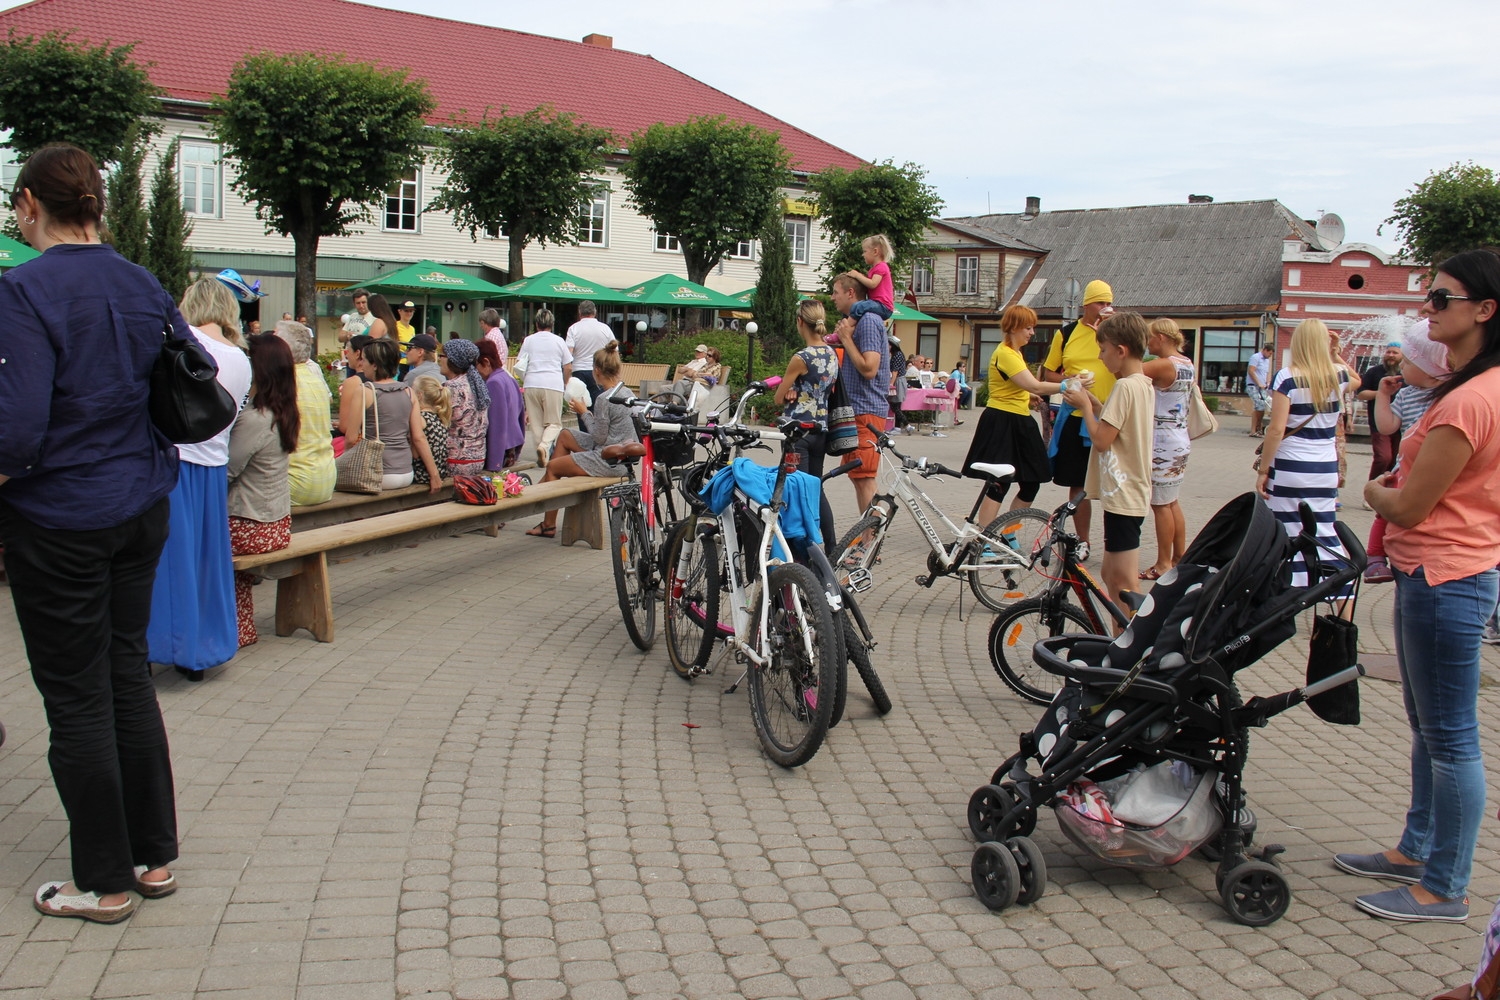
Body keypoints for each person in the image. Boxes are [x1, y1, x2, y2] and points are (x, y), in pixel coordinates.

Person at [0, 142, 180, 922]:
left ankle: (104, 881)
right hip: (141, 503)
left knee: (76, 696)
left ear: (32, 206)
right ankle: (152, 859)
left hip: (63, 514)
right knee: (126, 676)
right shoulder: (144, 281)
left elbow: (15, 431)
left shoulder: (23, 290)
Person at [1344, 248, 1500, 923]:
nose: (1427, 310)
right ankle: (1416, 851)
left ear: (1485, 310)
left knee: (1451, 736)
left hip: (1445, 576)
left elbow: (1409, 505)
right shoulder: (1471, 391)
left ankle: (1444, 886)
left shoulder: (1469, 402)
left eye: (1441, 300)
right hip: (1443, 573)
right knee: (1428, 728)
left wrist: (1375, 492)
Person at [146, 277, 252, 680]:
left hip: (174, 461)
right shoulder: (240, 358)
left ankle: (158, 646)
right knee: (206, 563)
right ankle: (202, 650)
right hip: (213, 467)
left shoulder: (179, 341)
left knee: (167, 563)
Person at [1061, 311, 1154, 611]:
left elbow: (1101, 440)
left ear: (1121, 351)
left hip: (1124, 494)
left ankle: (1131, 644)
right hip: (1128, 491)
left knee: (1125, 581)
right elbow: (1121, 425)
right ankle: (1118, 638)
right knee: (1109, 574)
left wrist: (1085, 406)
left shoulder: (1124, 387)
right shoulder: (1142, 383)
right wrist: (1099, 404)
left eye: (1102, 350)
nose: (1100, 357)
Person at [1254, 319, 1351, 603]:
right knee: (1324, 527)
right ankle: (1340, 590)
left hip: (1291, 464)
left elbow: (1276, 429)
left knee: (1286, 529)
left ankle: (1288, 591)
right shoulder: (1338, 375)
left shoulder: (1287, 377)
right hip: (1325, 465)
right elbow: (1357, 378)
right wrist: (1334, 353)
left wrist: (1264, 469)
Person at [962, 304, 1064, 528]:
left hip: (1018, 419)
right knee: (999, 483)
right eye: (1028, 327)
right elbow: (1035, 384)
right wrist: (1066, 385)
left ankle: (1008, 531)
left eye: (1032, 328)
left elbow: (1016, 386)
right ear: (1014, 327)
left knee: (1032, 481)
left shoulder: (1015, 353)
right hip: (1002, 421)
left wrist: (1026, 397)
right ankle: (985, 538)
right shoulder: (1005, 353)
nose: (1032, 333)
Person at [227, 334, 299, 647]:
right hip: (276, 523)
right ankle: (240, 628)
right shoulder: (284, 411)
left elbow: (226, 471)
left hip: (249, 523)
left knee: (195, 542)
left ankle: (230, 629)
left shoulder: (255, 418)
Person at [1364, 320, 1449, 584]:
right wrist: (1383, 396)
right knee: (1386, 508)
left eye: (1409, 363)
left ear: (1431, 371)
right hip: (1407, 464)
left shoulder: (1448, 396)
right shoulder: (1406, 394)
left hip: (1434, 464)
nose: (1401, 366)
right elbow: (1387, 427)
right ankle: (1375, 557)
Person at [526, 342, 639, 538]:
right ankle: (541, 493)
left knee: (553, 467)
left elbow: (598, 437)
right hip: (621, 455)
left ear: (596, 371)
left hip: (609, 460)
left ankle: (546, 519)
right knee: (565, 435)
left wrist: (583, 412)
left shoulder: (605, 399)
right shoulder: (626, 392)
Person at [1042, 279, 1117, 559]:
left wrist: (1115, 327)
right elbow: (1049, 373)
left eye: (1109, 303)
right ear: (1086, 304)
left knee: (1114, 481)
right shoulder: (1067, 332)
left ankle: (1116, 543)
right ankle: (1082, 540)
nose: (1104, 308)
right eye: (1100, 302)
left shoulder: (1116, 331)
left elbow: (1134, 361)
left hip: (1110, 412)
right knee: (1079, 481)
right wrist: (1071, 380)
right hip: (1075, 414)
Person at [339, 338, 442, 492]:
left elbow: (351, 438)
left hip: (378, 473)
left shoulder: (364, 391)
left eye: (365, 360)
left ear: (374, 365)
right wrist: (434, 475)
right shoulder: (408, 391)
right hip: (406, 472)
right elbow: (418, 438)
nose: (362, 364)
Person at [830, 273, 890, 512]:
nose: (832, 297)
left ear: (851, 293)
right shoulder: (859, 320)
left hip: (866, 410)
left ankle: (871, 544)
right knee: (858, 476)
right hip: (857, 409)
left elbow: (869, 368)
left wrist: (846, 339)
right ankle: (867, 540)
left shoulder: (868, 320)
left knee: (865, 478)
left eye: (836, 292)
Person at [1141, 318, 1196, 580]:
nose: (1147, 343)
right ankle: (1178, 556)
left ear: (1161, 338)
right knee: (1172, 502)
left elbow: (1126, 372)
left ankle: (1163, 563)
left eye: (1149, 338)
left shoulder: (1164, 364)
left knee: (1160, 505)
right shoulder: (1187, 364)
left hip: (1161, 443)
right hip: (1179, 438)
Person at [273, 320, 336, 507]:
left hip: (297, 482)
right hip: (326, 478)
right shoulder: (314, 377)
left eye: (273, 339)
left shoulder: (284, 383)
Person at [774, 299, 838, 476]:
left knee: (796, 486)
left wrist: (787, 391)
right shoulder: (832, 354)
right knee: (814, 487)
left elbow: (778, 398)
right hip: (820, 429)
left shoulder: (802, 357)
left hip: (798, 430)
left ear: (800, 321)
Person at [516, 309, 573, 467]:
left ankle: (543, 455)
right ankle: (544, 446)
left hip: (531, 383)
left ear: (536, 324)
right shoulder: (558, 341)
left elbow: (521, 362)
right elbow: (568, 366)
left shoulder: (528, 340)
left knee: (536, 423)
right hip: (552, 383)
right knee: (554, 423)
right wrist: (565, 382)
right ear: (552, 324)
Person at [436, 338, 490, 478]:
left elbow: (439, 424)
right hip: (478, 457)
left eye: (442, 355)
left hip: (457, 460)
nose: (439, 359)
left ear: (453, 360)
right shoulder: (477, 384)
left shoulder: (451, 387)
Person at [477, 338, 525, 472]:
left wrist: (494, 464)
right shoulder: (509, 378)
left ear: (486, 362)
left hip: (500, 453)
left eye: (476, 366)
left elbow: (497, 426)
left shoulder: (493, 383)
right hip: (510, 449)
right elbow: (521, 417)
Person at [1358, 342, 1405, 479]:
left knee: (1396, 459)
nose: (1391, 355)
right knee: (1383, 457)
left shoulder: (1406, 373)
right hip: (1379, 423)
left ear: (1403, 355)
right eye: (1388, 352)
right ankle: (1371, 488)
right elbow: (1361, 394)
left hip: (1401, 423)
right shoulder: (1374, 372)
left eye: (1395, 353)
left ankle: (1386, 488)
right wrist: (1382, 393)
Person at [565, 300, 616, 403]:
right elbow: (614, 351)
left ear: (579, 313)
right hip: (599, 370)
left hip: (579, 371)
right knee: (599, 404)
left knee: (581, 405)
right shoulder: (605, 328)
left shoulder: (573, 329)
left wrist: (566, 378)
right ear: (595, 312)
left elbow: (568, 354)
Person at [842, 234, 895, 323]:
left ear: (875, 252)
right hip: (876, 304)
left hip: (883, 306)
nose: (863, 255)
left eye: (865, 251)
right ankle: (847, 323)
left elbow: (873, 284)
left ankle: (847, 327)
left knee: (859, 307)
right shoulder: (873, 269)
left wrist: (857, 275)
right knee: (853, 307)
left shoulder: (881, 266)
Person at [408, 375, 451, 485]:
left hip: (422, 476)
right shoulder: (440, 418)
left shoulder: (420, 419)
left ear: (419, 395)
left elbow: (415, 454)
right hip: (441, 472)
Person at [1246, 341, 1272, 437]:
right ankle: (1254, 430)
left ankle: (1258, 428)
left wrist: (1268, 383)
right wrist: (1259, 383)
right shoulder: (1255, 357)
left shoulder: (1267, 361)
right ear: (1265, 350)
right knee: (1259, 405)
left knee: (1263, 406)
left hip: (1262, 387)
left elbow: (1267, 373)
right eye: (1269, 353)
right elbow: (1251, 371)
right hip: (1253, 385)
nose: (1270, 355)